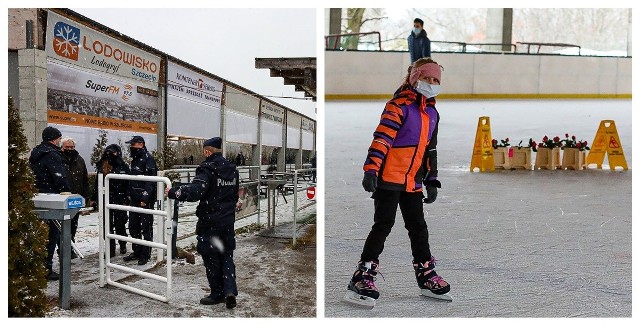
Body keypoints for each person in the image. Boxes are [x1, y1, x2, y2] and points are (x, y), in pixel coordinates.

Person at [344, 58, 450, 305]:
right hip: (389, 178)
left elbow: (430, 150)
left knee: (418, 227)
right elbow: (382, 138)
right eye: (427, 78)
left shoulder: (433, 113)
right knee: (383, 224)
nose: (431, 83)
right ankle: (363, 275)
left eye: (436, 80)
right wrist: (371, 169)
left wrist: (432, 179)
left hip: (413, 181)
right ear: (414, 78)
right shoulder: (398, 106)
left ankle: (426, 274)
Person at [166, 137, 240, 309]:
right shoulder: (232, 170)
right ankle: (229, 290)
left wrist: (174, 192)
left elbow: (195, 192)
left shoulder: (207, 169)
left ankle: (217, 293)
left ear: (207, 151)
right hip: (227, 221)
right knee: (227, 254)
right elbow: (234, 194)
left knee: (211, 257)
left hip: (210, 221)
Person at [29, 126, 71, 280]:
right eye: (59, 138)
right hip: (53, 198)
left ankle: (37, 266)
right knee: (52, 234)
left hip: (39, 196)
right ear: (54, 139)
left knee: (40, 233)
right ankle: (46, 268)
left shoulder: (36, 153)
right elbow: (59, 176)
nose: (60, 141)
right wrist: (66, 192)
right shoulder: (52, 154)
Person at [122, 135, 158, 265]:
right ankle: (136, 251)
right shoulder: (135, 159)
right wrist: (128, 194)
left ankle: (145, 254)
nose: (131, 147)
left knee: (146, 227)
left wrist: (145, 198)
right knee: (133, 226)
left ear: (141, 144)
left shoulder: (148, 159)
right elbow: (132, 179)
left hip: (144, 200)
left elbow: (151, 181)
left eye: (133, 144)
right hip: (134, 199)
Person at [92, 144, 130, 256]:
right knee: (106, 224)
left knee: (120, 223)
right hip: (105, 198)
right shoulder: (102, 165)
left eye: (113, 152)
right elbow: (97, 183)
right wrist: (94, 198)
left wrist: (127, 197)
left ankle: (122, 244)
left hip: (119, 198)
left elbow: (128, 182)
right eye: (109, 152)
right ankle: (110, 248)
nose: (111, 155)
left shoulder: (123, 166)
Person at [60, 137, 89, 259]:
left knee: (73, 225)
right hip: (62, 199)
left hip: (76, 198)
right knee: (60, 226)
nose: (70, 149)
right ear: (62, 147)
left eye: (72, 147)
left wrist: (86, 197)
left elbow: (85, 180)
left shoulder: (79, 160)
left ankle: (70, 248)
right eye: (67, 147)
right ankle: (62, 249)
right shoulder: (58, 159)